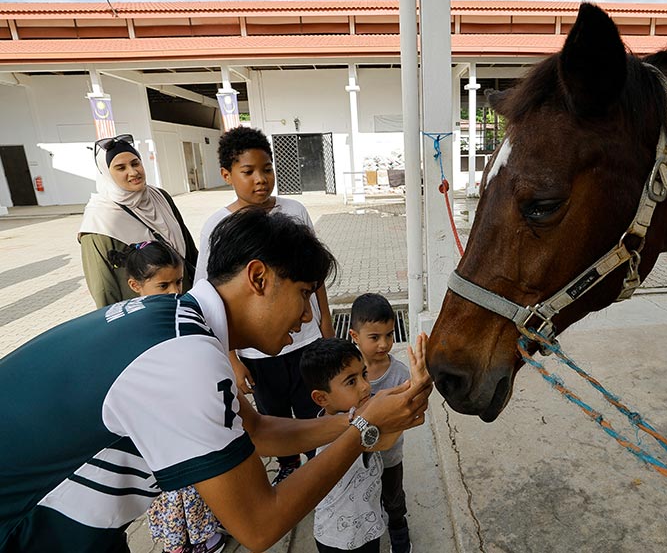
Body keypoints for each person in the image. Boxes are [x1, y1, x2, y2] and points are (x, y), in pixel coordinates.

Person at [0, 207, 432, 552]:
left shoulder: (179, 323)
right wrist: (364, 428)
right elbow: (259, 526)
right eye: (303, 293)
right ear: (258, 278)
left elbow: (256, 430)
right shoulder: (186, 357)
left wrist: (365, 415)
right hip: (28, 529)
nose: (308, 315)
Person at [195, 125, 334, 484]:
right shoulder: (218, 227)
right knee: (274, 410)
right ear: (227, 175)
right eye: (248, 172)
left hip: (304, 344)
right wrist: (232, 359)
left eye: (267, 169)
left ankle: (319, 460)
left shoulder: (294, 210)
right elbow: (212, 296)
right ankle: (288, 466)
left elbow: (314, 275)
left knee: (312, 405)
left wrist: (325, 323)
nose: (261, 179)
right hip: (258, 355)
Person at [110, 240, 225, 553]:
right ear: (135, 285)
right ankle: (178, 543)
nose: (175, 291)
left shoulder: (183, 311)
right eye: (163, 285)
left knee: (197, 485)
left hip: (184, 416)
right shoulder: (134, 324)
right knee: (171, 489)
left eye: (178, 281)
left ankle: (204, 534)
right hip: (156, 426)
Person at [300, 335, 428, 553]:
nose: (365, 386)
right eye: (351, 381)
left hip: (366, 525)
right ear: (322, 398)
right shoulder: (348, 429)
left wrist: (416, 386)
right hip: (343, 540)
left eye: (363, 374)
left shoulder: (341, 418)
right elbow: (390, 433)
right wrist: (418, 385)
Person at [79, 133, 198, 308]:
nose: (133, 172)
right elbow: (104, 290)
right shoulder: (98, 221)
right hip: (144, 314)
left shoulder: (160, 198)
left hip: (186, 299)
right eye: (121, 168)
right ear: (106, 174)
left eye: (135, 163)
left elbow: (189, 249)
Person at [349, 293, 412, 553]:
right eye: (374, 337)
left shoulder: (399, 374)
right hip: (356, 457)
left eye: (390, 334)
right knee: (365, 500)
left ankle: (399, 532)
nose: (384, 344)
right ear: (354, 336)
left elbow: (406, 413)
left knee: (394, 498)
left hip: (389, 456)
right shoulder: (347, 372)